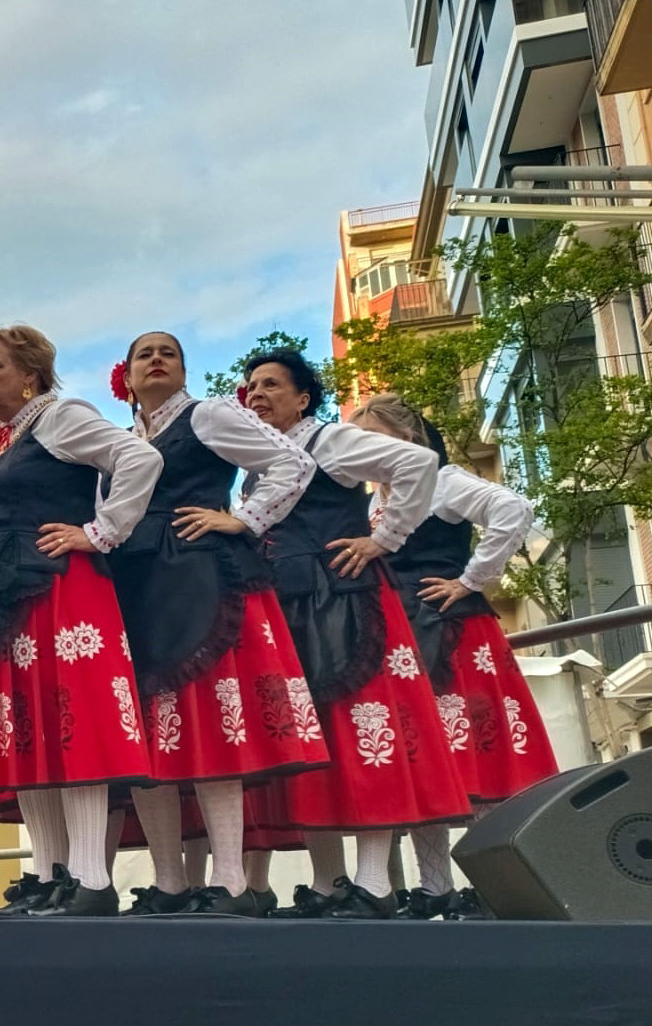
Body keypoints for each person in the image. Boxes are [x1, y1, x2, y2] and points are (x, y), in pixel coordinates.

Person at [241, 350, 471, 918]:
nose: (257, 394)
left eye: (272, 385)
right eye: (251, 387)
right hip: (289, 605)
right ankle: (328, 884)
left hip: (345, 601)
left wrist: (384, 539)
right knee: (310, 746)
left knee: (366, 735)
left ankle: (373, 884)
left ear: (303, 398)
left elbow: (418, 464)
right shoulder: (258, 460)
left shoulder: (330, 443)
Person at [109, 333, 331, 915]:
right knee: (150, 735)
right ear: (126, 377)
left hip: (199, 575)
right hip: (137, 583)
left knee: (211, 723)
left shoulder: (206, 415)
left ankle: (231, 882)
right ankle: (169, 882)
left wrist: (242, 518)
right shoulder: (125, 441)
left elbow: (291, 462)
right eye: (144, 355)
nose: (157, 360)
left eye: (169, 353)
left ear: (183, 371)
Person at [0, 325, 162, 918]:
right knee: (31, 727)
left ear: (31, 375)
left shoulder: (60, 416)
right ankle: (49, 874)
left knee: (74, 723)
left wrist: (99, 532)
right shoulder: (11, 438)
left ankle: (91, 878)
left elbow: (138, 455)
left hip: (57, 591)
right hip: (8, 593)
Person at [349, 393, 559, 918]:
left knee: (480, 762)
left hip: (452, 632)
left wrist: (469, 581)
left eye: (374, 438)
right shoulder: (374, 502)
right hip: (401, 639)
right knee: (426, 760)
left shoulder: (442, 482)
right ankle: (436, 887)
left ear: (409, 440)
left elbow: (513, 509)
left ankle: (496, 887)